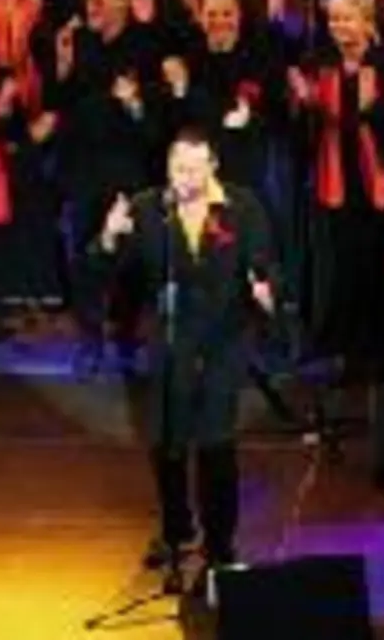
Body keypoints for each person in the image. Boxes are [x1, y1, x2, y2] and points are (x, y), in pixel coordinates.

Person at [88, 129, 276, 586]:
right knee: (167, 443)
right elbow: (103, 267)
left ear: (213, 166)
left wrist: (264, 288)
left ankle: (220, 545)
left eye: (193, 168)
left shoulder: (241, 205)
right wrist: (110, 237)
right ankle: (176, 532)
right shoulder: (149, 207)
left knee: (215, 443)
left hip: (221, 341)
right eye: (177, 168)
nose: (185, 177)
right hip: (169, 340)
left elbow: (264, 261)